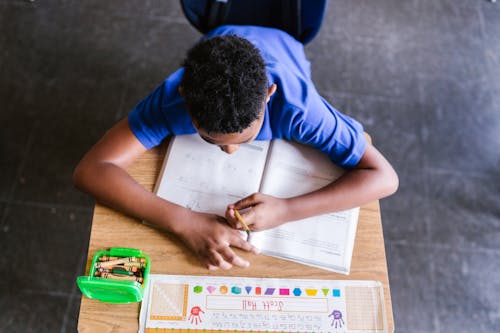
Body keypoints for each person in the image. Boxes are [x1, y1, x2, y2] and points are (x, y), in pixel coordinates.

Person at [73, 25, 398, 271]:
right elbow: (91, 170)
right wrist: (184, 221)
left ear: (270, 95)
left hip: (285, 40)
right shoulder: (173, 98)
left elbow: (384, 177)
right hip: (220, 37)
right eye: (211, 140)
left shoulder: (298, 107)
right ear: (186, 97)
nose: (230, 153)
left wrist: (287, 210)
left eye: (243, 140)